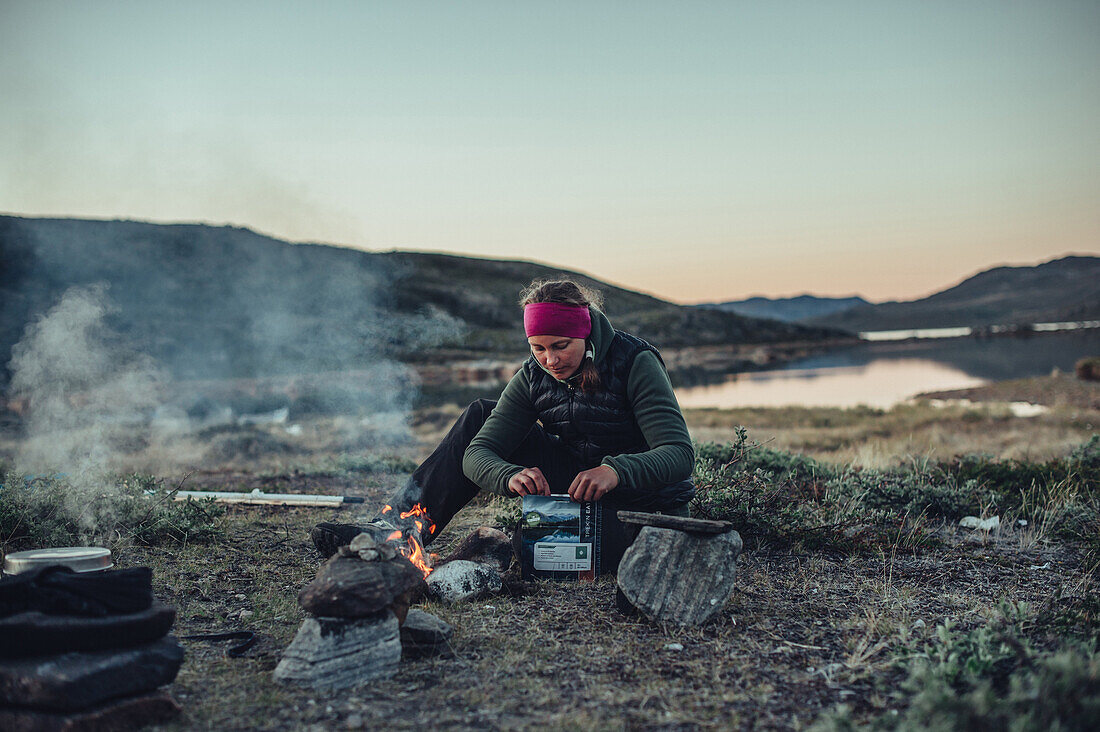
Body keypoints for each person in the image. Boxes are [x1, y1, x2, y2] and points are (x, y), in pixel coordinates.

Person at [312, 279, 695, 571]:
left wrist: (615, 470)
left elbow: (679, 455)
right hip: (575, 488)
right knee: (479, 413)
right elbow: (477, 453)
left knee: (526, 549)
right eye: (538, 348)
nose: (550, 360)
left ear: (586, 335)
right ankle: (395, 532)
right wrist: (509, 475)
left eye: (561, 346)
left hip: (642, 502)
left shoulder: (635, 362)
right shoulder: (533, 375)